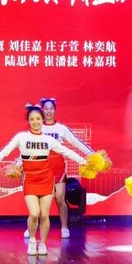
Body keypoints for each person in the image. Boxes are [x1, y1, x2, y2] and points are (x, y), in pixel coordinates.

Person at [0, 105, 87, 255]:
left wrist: (85, 162)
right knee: (34, 213)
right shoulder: (21, 137)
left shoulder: (48, 140)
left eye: (38, 119)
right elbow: (5, 151)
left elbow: (67, 152)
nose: (35, 121)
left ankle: (43, 244)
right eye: (32, 119)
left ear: (42, 120)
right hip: (30, 179)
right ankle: (33, 240)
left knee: (44, 215)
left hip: (46, 179)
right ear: (28, 120)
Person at [19, 97, 95, 239]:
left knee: (60, 199)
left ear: (55, 110)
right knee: (36, 200)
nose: (48, 111)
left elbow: (77, 143)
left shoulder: (61, 129)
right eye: (46, 108)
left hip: (57, 168)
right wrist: (18, 164)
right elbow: (26, 148)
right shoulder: (36, 126)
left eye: (51, 108)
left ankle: (64, 227)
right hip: (39, 168)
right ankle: (32, 228)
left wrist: (93, 155)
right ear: (42, 110)